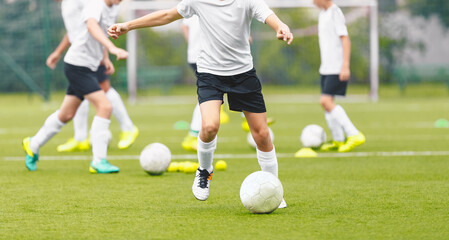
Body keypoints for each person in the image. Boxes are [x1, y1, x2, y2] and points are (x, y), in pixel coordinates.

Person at [108, 0, 292, 207]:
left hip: (242, 74)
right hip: (209, 73)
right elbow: (167, 15)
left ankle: (274, 186)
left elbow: (269, 16)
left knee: (262, 134)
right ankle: (204, 171)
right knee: (210, 125)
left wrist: (281, 27)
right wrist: (128, 25)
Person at [22, 0, 128, 173]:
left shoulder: (112, 7)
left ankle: (32, 144)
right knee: (105, 106)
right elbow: (92, 26)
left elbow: (101, 34)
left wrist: (105, 57)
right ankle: (99, 161)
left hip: (88, 66)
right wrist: (112, 48)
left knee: (66, 114)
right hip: (78, 66)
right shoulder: (95, 4)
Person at [46, 3, 139, 153]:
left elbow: (95, 27)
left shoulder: (92, 3)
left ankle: (127, 128)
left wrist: (107, 54)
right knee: (83, 93)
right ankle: (81, 137)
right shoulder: (66, 4)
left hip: (90, 55)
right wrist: (58, 52)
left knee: (102, 91)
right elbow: (74, 32)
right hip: (81, 54)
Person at [313, 0, 365, 153]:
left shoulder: (335, 12)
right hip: (326, 67)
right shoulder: (323, 14)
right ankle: (338, 139)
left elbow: (345, 39)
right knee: (326, 103)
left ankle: (354, 134)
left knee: (325, 101)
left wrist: (345, 65)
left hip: (336, 67)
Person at [180, 15, 229, 152]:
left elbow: (184, 25)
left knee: (213, 91)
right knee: (211, 94)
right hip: (205, 56)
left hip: (198, 55)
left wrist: (192, 44)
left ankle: (193, 133)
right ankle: (193, 134)